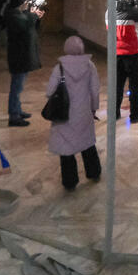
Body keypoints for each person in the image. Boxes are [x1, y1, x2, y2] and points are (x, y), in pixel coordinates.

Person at [44, 35, 101, 190]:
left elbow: (49, 91)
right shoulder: (90, 66)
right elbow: (95, 90)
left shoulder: (60, 68)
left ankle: (70, 182)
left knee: (66, 149)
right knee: (87, 144)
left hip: (64, 115)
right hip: (83, 113)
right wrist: (94, 108)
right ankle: (94, 172)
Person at [4, 0, 43, 127]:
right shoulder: (13, 16)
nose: (26, 5)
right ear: (20, 4)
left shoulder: (16, 14)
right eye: (25, 3)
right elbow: (25, 25)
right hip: (18, 57)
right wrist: (33, 15)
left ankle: (17, 110)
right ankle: (14, 116)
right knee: (16, 87)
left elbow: (28, 24)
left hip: (21, 56)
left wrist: (34, 16)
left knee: (18, 87)